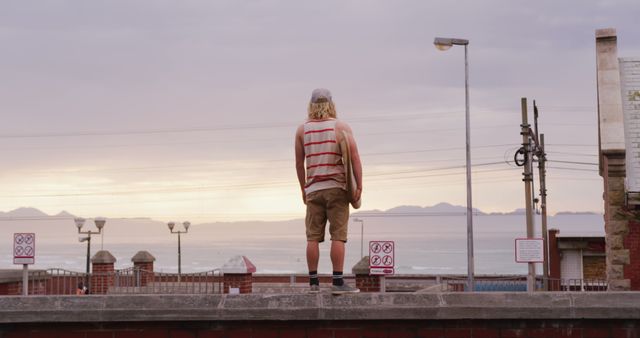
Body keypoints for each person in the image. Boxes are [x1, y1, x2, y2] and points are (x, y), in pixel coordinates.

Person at [295, 88, 362, 294]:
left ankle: (313, 283)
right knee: (338, 236)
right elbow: (355, 158)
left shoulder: (301, 130)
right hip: (337, 188)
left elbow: (299, 164)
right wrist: (359, 186)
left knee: (312, 237)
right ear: (331, 104)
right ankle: (338, 282)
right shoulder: (341, 126)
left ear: (311, 105)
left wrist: (303, 189)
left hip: (313, 189)